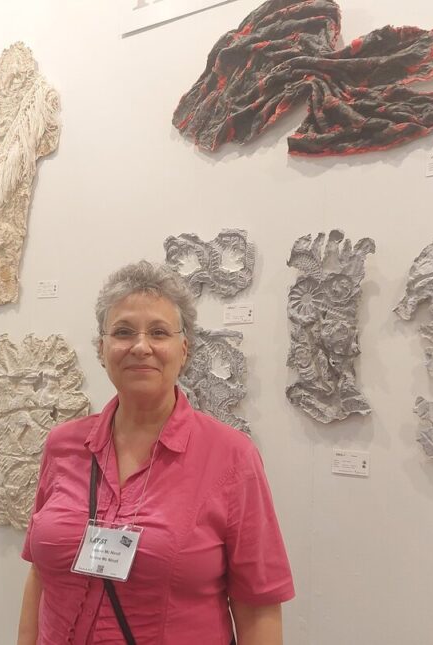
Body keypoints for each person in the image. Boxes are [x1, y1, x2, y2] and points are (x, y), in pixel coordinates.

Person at [18, 260, 294, 645]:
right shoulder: (63, 445)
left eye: (159, 333)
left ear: (184, 350)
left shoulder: (231, 457)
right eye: (123, 332)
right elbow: (40, 576)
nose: (141, 346)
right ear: (102, 349)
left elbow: (258, 604)